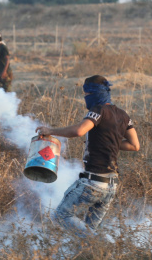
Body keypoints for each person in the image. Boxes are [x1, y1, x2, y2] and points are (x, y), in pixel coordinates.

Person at [35, 75, 140, 238]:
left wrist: (50, 131)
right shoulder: (123, 115)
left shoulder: (98, 110)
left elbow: (79, 131)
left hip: (93, 182)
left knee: (61, 216)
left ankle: (105, 244)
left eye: (86, 94)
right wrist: (107, 141)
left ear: (94, 93)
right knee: (85, 235)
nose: (85, 98)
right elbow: (135, 145)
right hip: (111, 186)